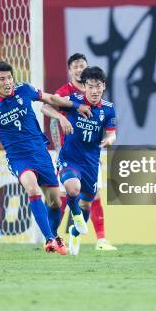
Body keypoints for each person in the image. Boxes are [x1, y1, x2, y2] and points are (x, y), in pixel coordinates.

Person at [0, 61, 92, 255]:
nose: (8, 82)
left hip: (40, 152)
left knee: (55, 202)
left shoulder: (24, 90)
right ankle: (49, 239)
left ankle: (54, 236)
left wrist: (76, 106)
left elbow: (50, 98)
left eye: (9, 77)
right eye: (2, 79)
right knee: (31, 187)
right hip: (18, 157)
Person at [42, 54, 117, 251]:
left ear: (103, 87)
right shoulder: (71, 98)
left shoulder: (108, 109)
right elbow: (45, 106)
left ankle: (76, 232)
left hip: (91, 161)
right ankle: (53, 235)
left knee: (87, 203)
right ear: (84, 86)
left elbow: (111, 133)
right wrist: (62, 117)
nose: (93, 90)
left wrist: (109, 140)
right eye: (90, 86)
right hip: (69, 157)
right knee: (70, 189)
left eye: (97, 86)